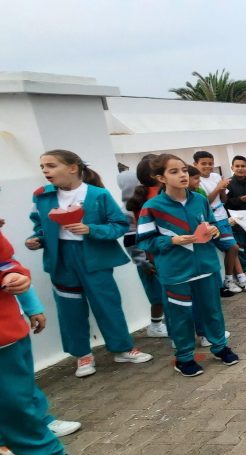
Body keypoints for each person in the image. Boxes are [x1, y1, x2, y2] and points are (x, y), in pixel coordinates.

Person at [26, 150, 153, 378]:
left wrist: (91, 229)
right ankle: (82, 355)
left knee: (107, 304)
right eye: (43, 166)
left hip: (95, 257)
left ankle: (122, 348)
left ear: (72, 168)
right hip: (62, 260)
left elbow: (120, 225)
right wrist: (37, 240)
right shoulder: (42, 197)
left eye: (51, 166)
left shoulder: (98, 195)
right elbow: (40, 226)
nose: (45, 170)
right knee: (70, 309)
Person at [136, 154, 240, 377]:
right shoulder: (152, 207)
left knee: (213, 311)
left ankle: (220, 347)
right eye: (174, 172)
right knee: (180, 317)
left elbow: (211, 224)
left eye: (183, 170)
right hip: (176, 273)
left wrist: (213, 230)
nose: (182, 175)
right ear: (160, 178)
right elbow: (145, 240)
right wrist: (171, 240)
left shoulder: (199, 199)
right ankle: (183, 358)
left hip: (206, 267)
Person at [0, 229, 88, 455]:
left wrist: (20, 285)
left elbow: (6, 262)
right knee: (12, 401)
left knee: (18, 394)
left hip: (8, 333)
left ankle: (31, 433)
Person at [193, 152, 246, 296]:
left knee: (232, 248)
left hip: (223, 215)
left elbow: (224, 199)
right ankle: (230, 279)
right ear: (195, 164)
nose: (208, 166)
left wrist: (221, 188)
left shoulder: (216, 177)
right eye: (204, 163)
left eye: (210, 163)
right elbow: (205, 202)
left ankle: (240, 279)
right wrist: (218, 188)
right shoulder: (197, 181)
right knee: (233, 247)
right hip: (211, 219)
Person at [123, 154, 169, 339]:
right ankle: (159, 325)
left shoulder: (165, 194)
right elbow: (131, 236)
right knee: (161, 296)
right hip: (154, 257)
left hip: (159, 254)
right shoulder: (145, 199)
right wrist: (143, 261)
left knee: (165, 296)